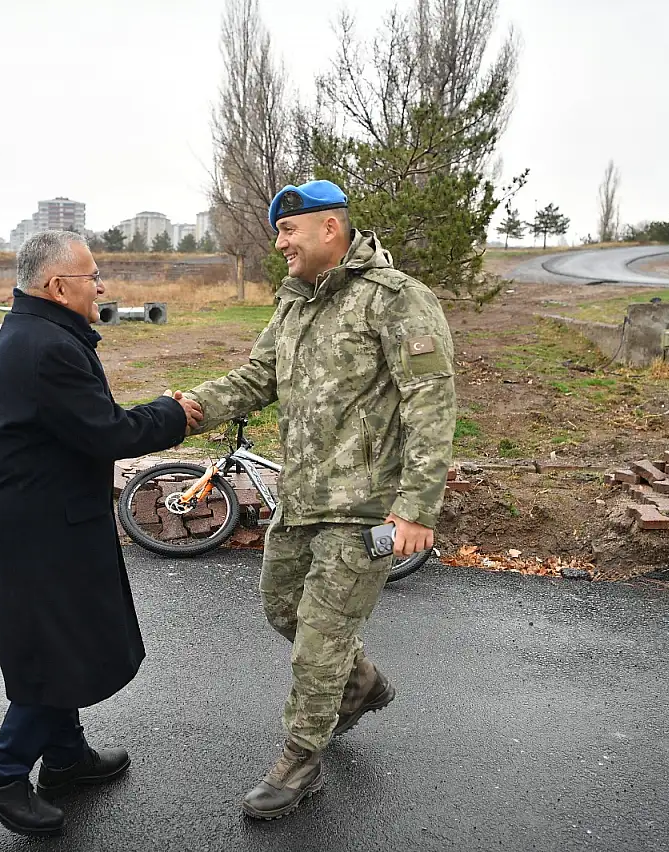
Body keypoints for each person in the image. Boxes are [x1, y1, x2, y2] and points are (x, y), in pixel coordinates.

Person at [181, 180, 457, 819]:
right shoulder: (295, 304)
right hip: (300, 496)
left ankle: (300, 762)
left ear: (329, 230)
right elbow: (257, 379)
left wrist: (415, 507)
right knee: (282, 610)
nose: (279, 244)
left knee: (320, 640)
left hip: (364, 507)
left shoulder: (396, 301)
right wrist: (189, 408)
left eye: (288, 232)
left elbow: (431, 404)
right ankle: (361, 686)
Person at [0, 230, 203, 836]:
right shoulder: (47, 348)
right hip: (44, 528)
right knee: (59, 644)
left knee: (57, 639)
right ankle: (0, 773)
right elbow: (108, 433)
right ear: (57, 286)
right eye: (93, 275)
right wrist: (174, 414)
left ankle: (65, 757)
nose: (102, 285)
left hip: (44, 516)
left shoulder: (38, 333)